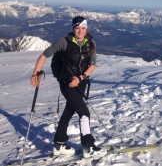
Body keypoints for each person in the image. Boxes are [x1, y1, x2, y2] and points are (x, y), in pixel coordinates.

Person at [30, 16, 106, 158]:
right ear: (73, 28)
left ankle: (59, 145)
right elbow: (43, 56)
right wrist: (35, 73)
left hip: (81, 83)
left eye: (83, 28)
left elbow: (92, 65)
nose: (80, 31)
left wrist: (81, 78)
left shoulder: (91, 43)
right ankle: (88, 146)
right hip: (67, 83)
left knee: (69, 111)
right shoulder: (64, 42)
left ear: (86, 29)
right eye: (77, 28)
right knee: (84, 113)